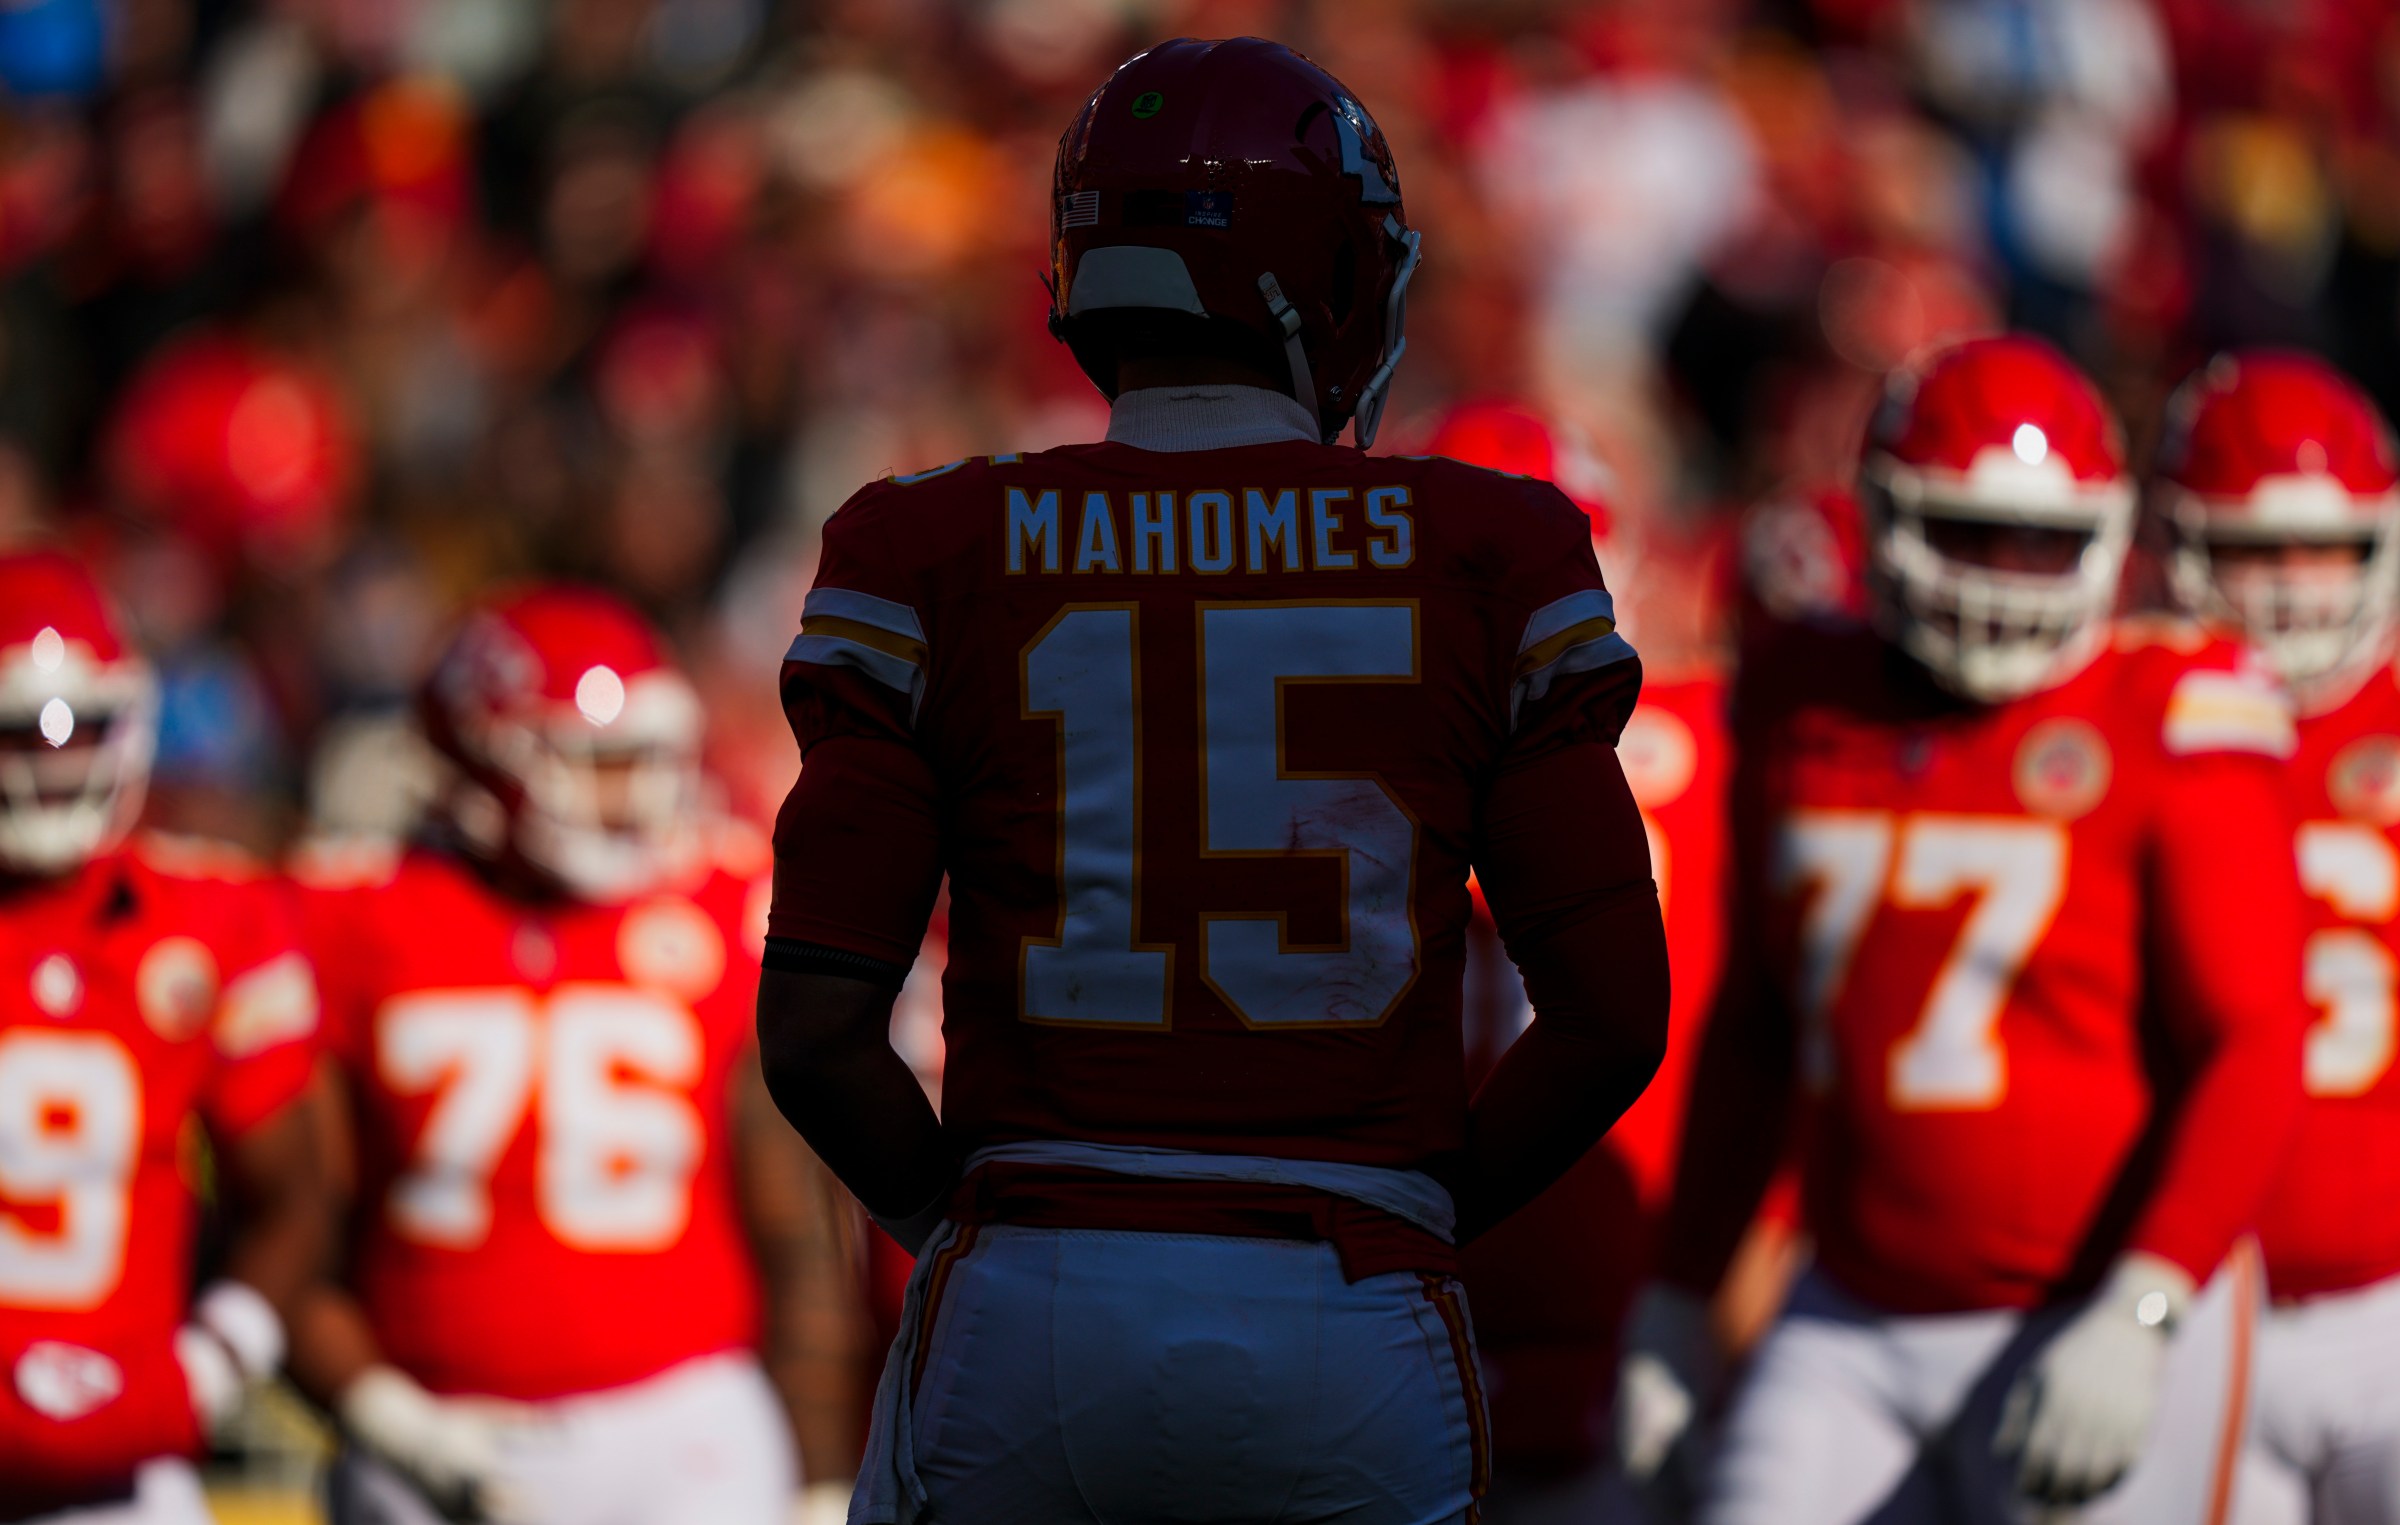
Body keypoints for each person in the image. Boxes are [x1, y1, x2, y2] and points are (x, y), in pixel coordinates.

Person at [754, 35, 1671, 1525]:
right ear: (1324, 273)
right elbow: (1615, 1016)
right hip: (1352, 1305)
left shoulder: (925, 545)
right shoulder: (1490, 550)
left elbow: (812, 1033)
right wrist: (1421, 1206)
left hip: (1035, 1285)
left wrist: (956, 1219)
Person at [1617, 334, 2308, 1523]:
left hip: (2083, 1306)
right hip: (1850, 1303)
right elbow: (1762, 1025)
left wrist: (2144, 1309)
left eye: (2041, 541)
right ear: (1880, 518)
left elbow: (2252, 1040)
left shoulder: (2171, 713)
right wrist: (1681, 1288)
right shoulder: (1803, 695)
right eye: (1965, 534)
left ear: (2110, 532)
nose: (2001, 577)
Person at [288, 584, 865, 1525]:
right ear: (481, 760)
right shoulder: (355, 917)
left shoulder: (719, 904)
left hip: (682, 1426)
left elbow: (801, 1239)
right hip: (435, 1416)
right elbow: (292, 1226)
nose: (632, 795)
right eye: (597, 762)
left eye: (644, 761)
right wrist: (378, 1408)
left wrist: (820, 1479)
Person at [0, 547, 329, 1522]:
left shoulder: (210, 916)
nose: (50, 766)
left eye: (76, 732)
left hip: (125, 1460)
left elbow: (296, 1191)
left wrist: (215, 1356)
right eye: (18, 735)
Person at [2154, 352, 2400, 1525]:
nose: (2299, 586)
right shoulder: (2126, 709)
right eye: (2259, 549)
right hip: (2193, 1300)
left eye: (2330, 548)